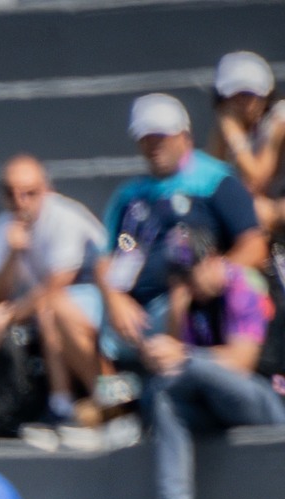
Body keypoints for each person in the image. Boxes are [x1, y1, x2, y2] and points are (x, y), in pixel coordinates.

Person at [97, 94, 267, 372]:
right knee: (65, 309)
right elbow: (108, 255)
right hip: (132, 306)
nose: (153, 145)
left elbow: (254, 244)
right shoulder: (130, 196)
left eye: (160, 136)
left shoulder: (215, 182)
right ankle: (103, 396)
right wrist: (114, 298)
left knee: (179, 308)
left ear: (183, 136)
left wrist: (219, 270)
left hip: (187, 300)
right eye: (146, 138)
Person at [129, 234, 285, 499]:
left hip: (269, 401)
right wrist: (173, 327)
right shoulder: (190, 299)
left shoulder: (244, 284)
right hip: (221, 404)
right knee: (165, 399)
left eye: (191, 273)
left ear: (213, 257)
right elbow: (182, 372)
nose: (188, 284)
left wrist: (181, 353)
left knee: (193, 366)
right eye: (179, 278)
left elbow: (242, 361)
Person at [0, 155, 108, 424]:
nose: (20, 202)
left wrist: (13, 314)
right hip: (46, 301)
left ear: (47, 190)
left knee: (50, 308)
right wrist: (13, 253)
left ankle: (65, 403)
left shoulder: (65, 217)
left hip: (94, 297)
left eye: (30, 193)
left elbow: (59, 282)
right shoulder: (1, 226)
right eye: (11, 194)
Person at [208, 52, 284, 228]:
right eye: (236, 96)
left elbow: (258, 179)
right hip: (272, 199)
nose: (244, 104)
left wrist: (233, 134)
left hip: (277, 204)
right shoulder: (232, 125)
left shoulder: (279, 120)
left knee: (259, 211)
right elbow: (211, 174)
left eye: (250, 96)